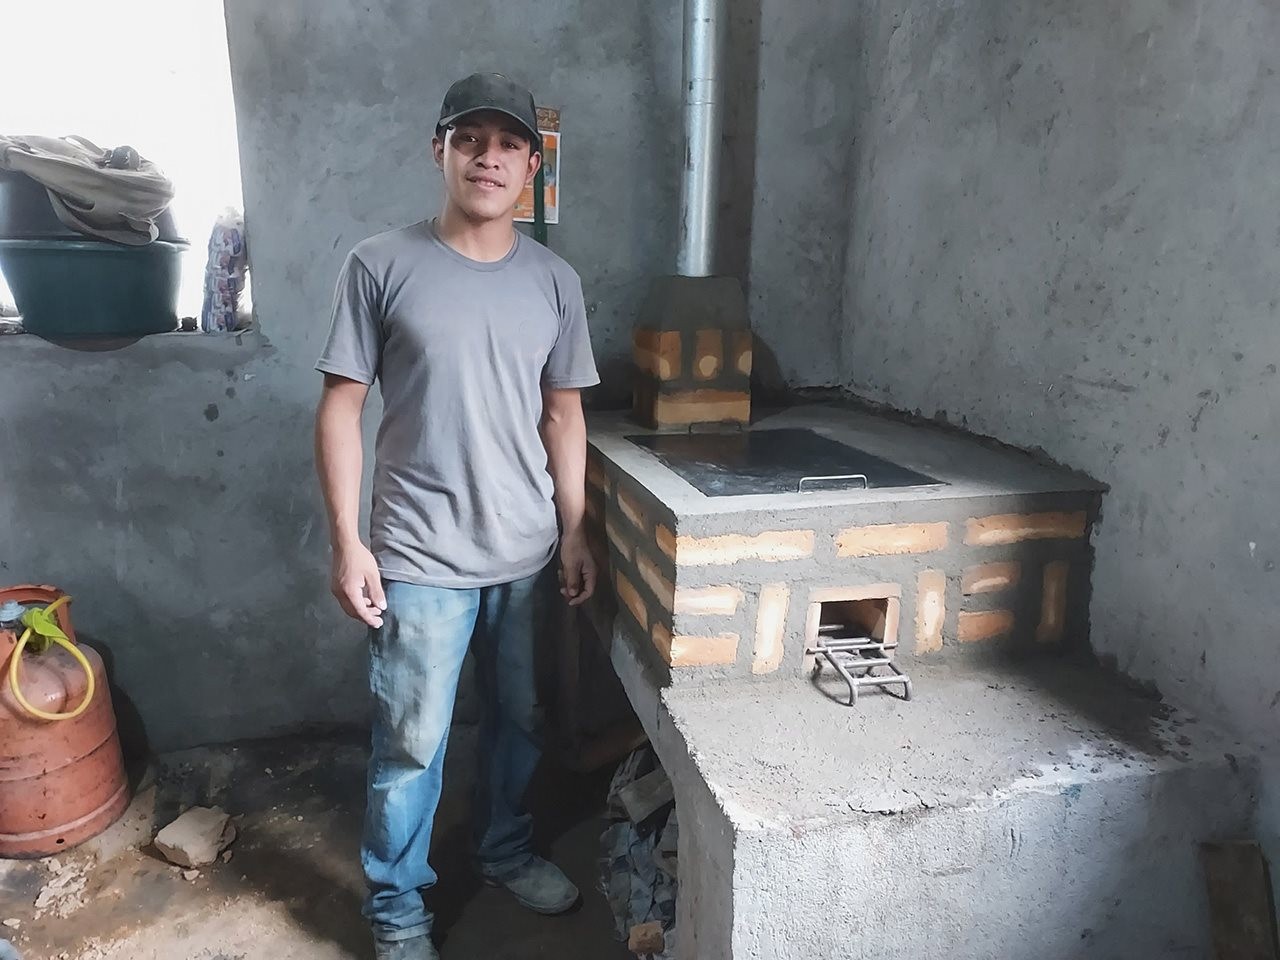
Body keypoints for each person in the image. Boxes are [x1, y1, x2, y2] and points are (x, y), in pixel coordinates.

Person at [313, 72, 600, 960]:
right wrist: (349, 540)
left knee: (518, 719)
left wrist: (577, 529)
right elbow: (341, 408)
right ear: (437, 150)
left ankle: (505, 848)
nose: (489, 156)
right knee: (412, 746)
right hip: (420, 558)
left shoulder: (554, 281)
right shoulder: (380, 264)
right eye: (469, 138)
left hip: (524, 552)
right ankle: (397, 909)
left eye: (508, 143)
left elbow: (564, 415)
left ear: (531, 169)